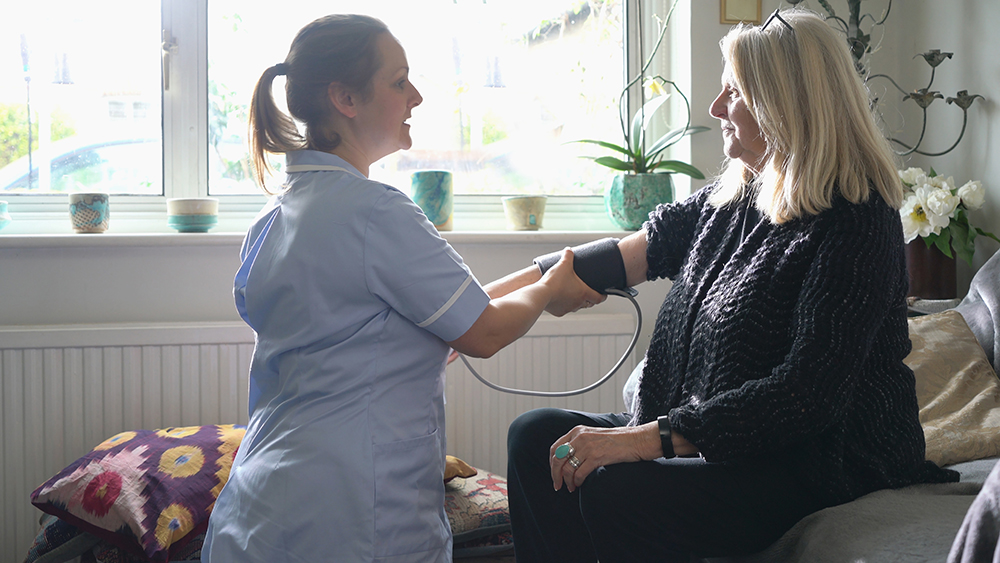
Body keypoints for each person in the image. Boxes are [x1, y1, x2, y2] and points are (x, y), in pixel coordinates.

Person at [505, 9, 960, 562]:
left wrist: (642, 440)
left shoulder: (858, 220)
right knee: (536, 438)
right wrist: (466, 313)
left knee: (616, 488)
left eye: (734, 94)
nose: (717, 109)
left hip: (814, 460)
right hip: (715, 443)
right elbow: (599, 263)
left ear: (786, 105)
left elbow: (805, 394)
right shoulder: (731, 201)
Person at [201, 14, 603, 563]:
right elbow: (482, 332)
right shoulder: (376, 211)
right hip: (347, 513)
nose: (415, 96)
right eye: (398, 82)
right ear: (345, 98)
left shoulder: (275, 219)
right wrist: (549, 290)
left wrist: (539, 276)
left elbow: (419, 327)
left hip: (260, 505)